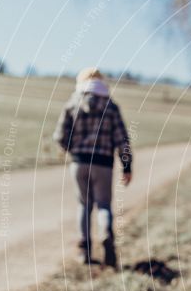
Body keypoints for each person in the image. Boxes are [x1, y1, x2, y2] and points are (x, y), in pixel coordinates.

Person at [53, 68, 132, 266]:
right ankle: (106, 235)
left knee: (84, 204)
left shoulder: (73, 103)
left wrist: (70, 149)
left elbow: (60, 136)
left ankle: (85, 250)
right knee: (104, 205)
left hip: (79, 162)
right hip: (103, 163)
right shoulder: (111, 106)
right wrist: (127, 166)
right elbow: (122, 140)